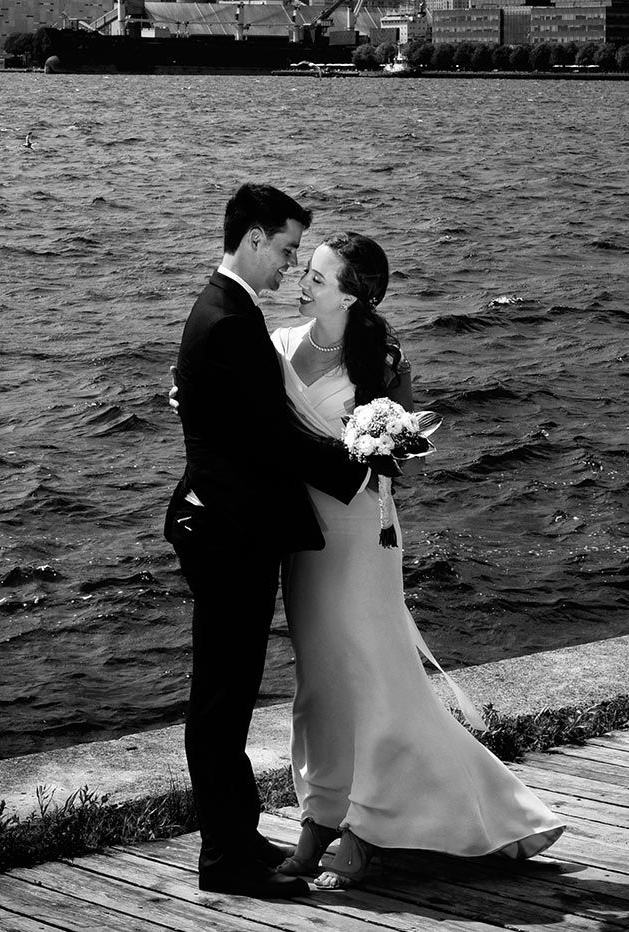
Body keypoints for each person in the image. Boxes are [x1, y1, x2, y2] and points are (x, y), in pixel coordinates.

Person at [274, 231, 563, 889]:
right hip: (303, 537)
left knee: (376, 677)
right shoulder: (280, 348)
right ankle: (318, 819)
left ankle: (366, 830)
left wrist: (386, 446)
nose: (304, 281)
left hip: (363, 536)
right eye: (307, 271)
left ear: (350, 293)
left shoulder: (379, 362)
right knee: (317, 686)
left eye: (318, 276)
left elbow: (397, 460)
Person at [163, 183, 369, 899]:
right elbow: (271, 436)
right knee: (221, 702)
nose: (288, 266)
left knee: (231, 694)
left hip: (228, 525)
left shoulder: (228, 312)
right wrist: (361, 464)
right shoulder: (225, 321)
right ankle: (226, 860)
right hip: (227, 532)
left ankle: (238, 835)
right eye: (285, 249)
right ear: (253, 239)